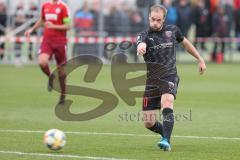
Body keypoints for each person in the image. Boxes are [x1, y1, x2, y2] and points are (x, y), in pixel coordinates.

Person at [137, 5, 206, 151]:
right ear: (149, 17)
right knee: (148, 123)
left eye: (158, 20)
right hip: (152, 80)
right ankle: (165, 134)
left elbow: (186, 44)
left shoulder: (173, 31)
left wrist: (200, 59)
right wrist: (140, 47)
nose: (155, 22)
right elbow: (140, 43)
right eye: (152, 19)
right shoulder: (143, 35)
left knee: (167, 102)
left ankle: (166, 141)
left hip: (169, 75)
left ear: (164, 19)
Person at [25, 0, 71, 104]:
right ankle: (52, 77)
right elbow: (42, 19)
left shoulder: (64, 7)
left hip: (60, 42)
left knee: (62, 72)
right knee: (42, 62)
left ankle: (63, 94)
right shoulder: (45, 5)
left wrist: (53, 26)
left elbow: (68, 26)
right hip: (47, 41)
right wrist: (31, 29)